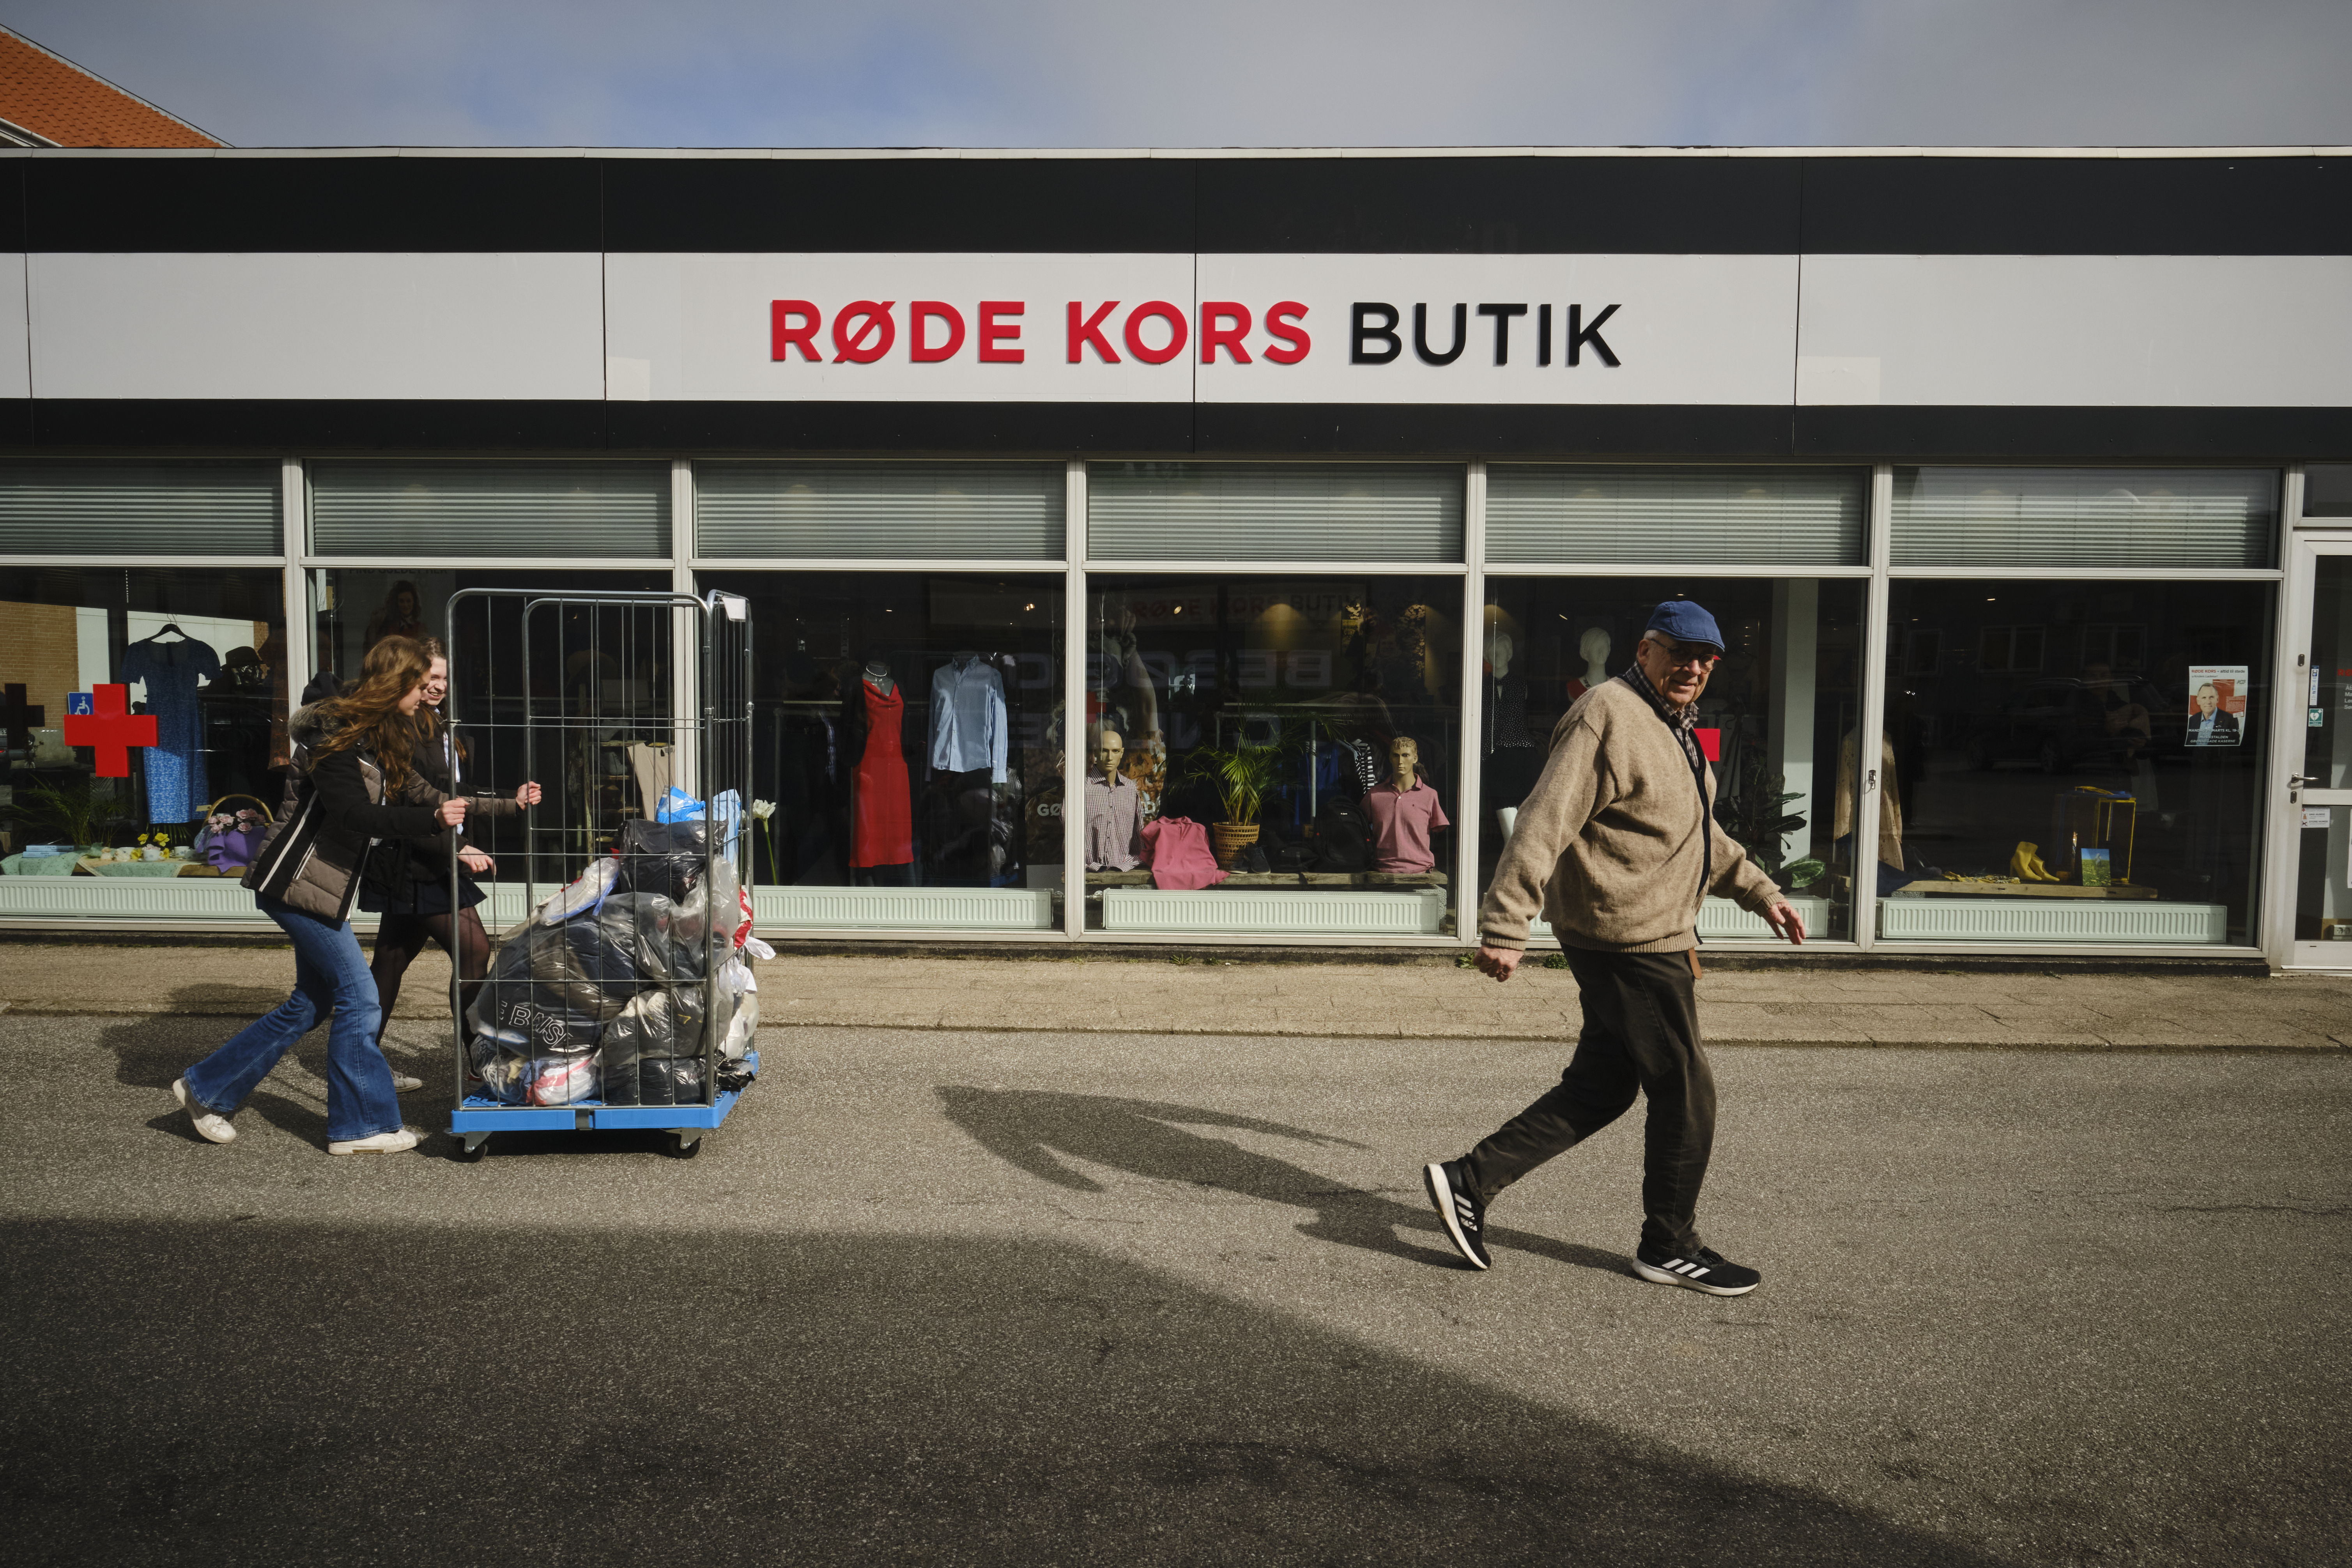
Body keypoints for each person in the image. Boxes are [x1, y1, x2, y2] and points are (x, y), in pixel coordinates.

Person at [1423, 600, 1805, 1296]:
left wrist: (1760, 890)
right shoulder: (1608, 711)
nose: (1692, 667)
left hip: (1640, 929)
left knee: (1602, 1085)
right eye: (1679, 652)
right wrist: (1506, 925)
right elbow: (1544, 818)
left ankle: (1467, 1179)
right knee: (1685, 1089)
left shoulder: (1670, 724)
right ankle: (1668, 1243)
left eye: (1705, 659)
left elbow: (1691, 831)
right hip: (1631, 937)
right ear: (1647, 650)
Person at [172, 637, 467, 1156]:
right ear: (396, 682)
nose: (427, 694)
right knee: (361, 998)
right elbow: (355, 814)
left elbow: (420, 794)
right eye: (419, 685)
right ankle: (359, 1126)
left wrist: (501, 807)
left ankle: (205, 1088)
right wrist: (431, 819)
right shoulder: (336, 738)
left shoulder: (373, 735)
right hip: (295, 885)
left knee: (312, 1002)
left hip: (316, 888)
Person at [362, 637, 543, 1072]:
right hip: (417, 862)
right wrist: (457, 847)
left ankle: (360, 1061)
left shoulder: (440, 724)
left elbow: (452, 795)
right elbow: (413, 804)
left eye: (443, 677)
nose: (438, 685)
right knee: (474, 951)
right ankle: (478, 1059)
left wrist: (510, 801)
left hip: (435, 857)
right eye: (429, 678)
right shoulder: (401, 725)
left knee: (390, 961)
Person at [365, 580, 425, 652]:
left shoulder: (421, 628)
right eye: (402, 601)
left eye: (408, 601)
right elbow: (374, 649)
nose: (405, 605)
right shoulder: (387, 626)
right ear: (396, 603)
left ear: (414, 603)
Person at [2186, 681, 2240, 747]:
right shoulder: (2193, 720)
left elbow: (2233, 748)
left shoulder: (2230, 720)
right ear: (2198, 701)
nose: (2208, 702)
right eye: (2204, 698)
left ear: (2217, 699)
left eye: (2211, 697)